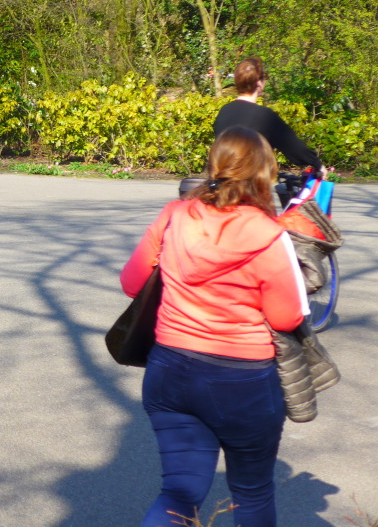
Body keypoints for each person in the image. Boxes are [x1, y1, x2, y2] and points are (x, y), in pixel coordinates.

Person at [121, 126, 309, 527]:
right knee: (252, 493)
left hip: (169, 370)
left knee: (178, 493)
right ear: (264, 174)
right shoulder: (270, 236)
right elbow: (286, 317)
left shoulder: (174, 216)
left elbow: (131, 283)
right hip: (242, 383)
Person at [213, 58, 323, 173]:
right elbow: (295, 148)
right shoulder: (265, 116)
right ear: (259, 83)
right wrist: (317, 164)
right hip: (251, 185)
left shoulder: (224, 111)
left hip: (222, 182)